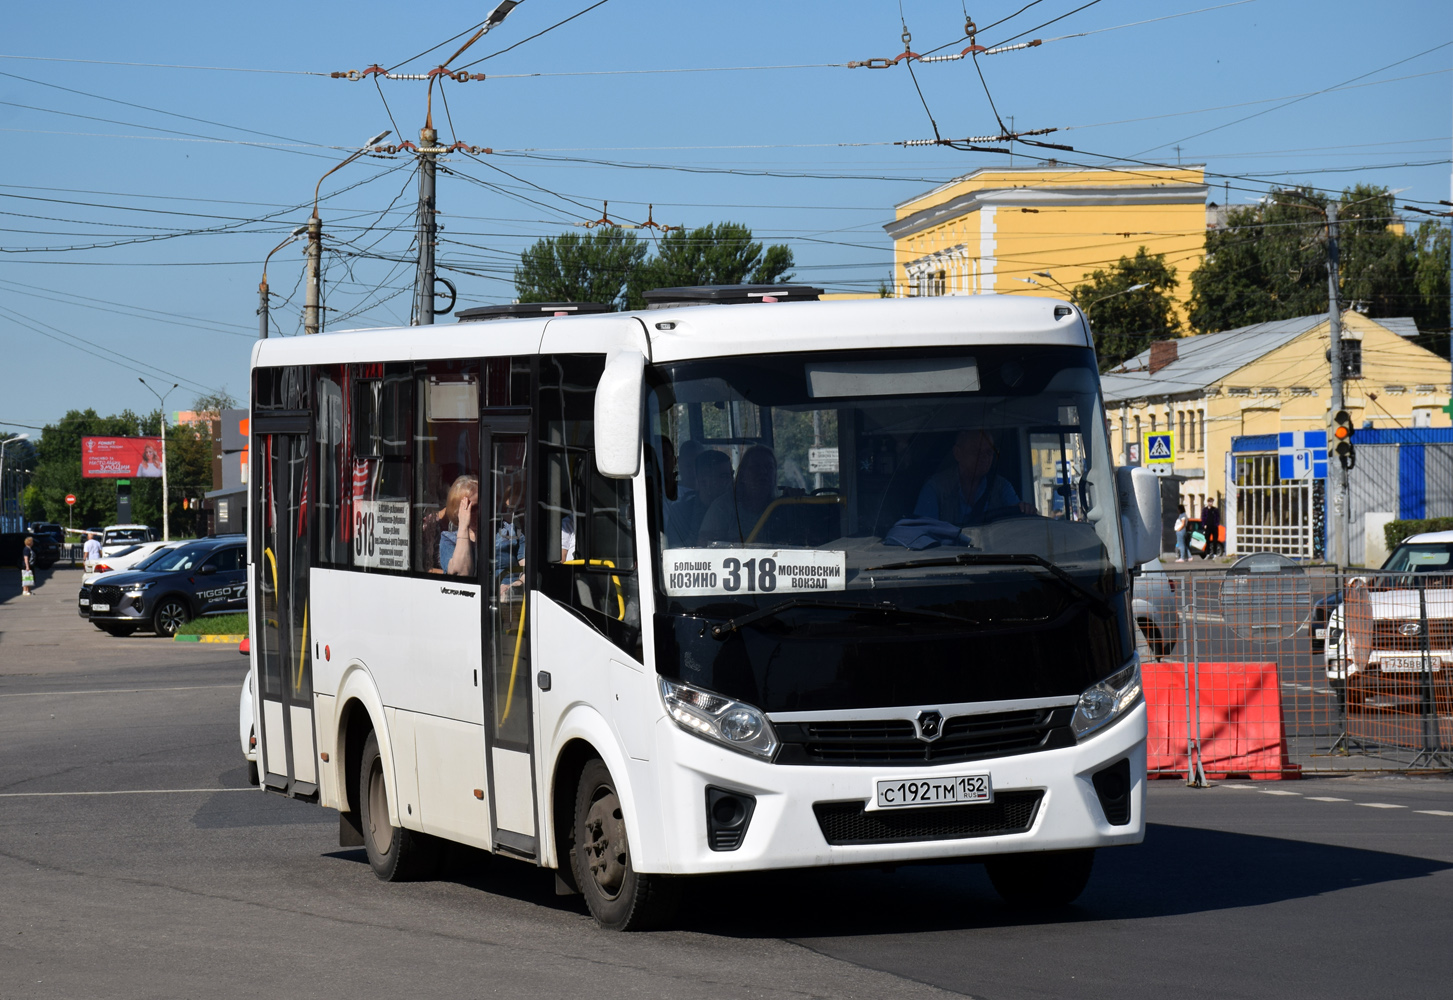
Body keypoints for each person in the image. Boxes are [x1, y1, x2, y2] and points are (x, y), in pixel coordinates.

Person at [913, 429, 1031, 526]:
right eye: (977, 451)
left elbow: (1018, 520)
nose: (984, 458)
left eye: (989, 452)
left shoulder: (1001, 487)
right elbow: (923, 533)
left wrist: (1024, 509)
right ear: (958, 453)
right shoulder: (935, 488)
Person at [697, 445, 779, 544]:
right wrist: (748, 544)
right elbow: (704, 545)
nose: (763, 472)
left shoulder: (782, 505)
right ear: (743, 474)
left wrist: (796, 502)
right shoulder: (723, 507)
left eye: (769, 467)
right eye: (755, 467)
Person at [666, 449, 733, 547]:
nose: (731, 481)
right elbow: (676, 552)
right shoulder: (682, 512)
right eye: (724, 476)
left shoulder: (736, 508)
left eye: (732, 474)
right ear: (703, 480)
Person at [438, 475, 479, 576]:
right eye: (470, 509)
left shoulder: (505, 532)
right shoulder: (448, 540)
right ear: (458, 512)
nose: (477, 513)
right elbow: (461, 573)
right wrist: (463, 526)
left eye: (479, 506)